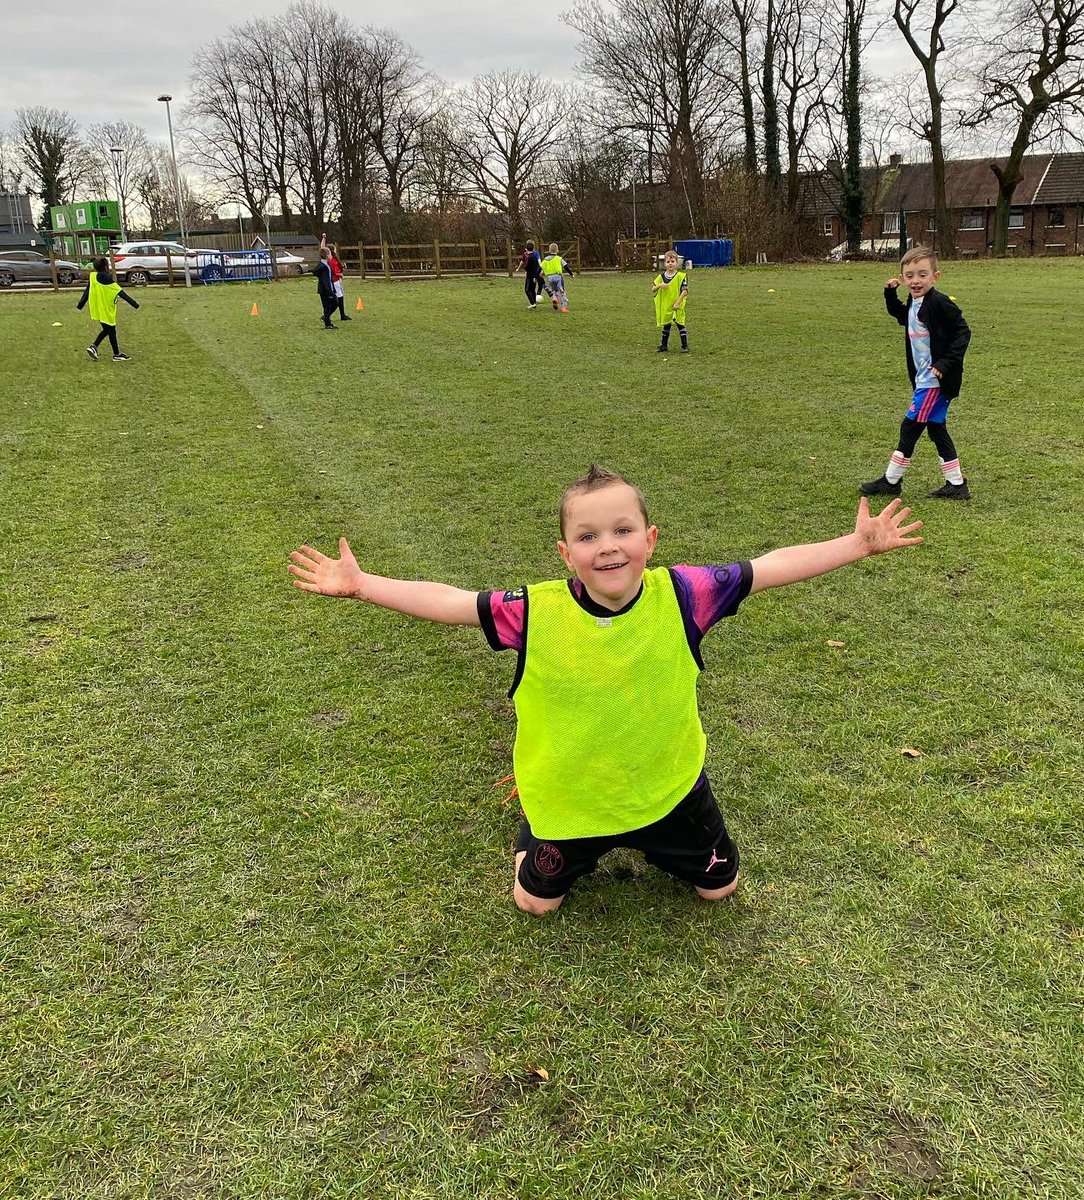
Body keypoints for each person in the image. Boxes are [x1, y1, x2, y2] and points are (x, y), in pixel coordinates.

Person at [288, 464, 923, 915]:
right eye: (588, 537)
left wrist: (855, 545)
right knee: (534, 904)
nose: (608, 548)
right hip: (574, 796)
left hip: (668, 789)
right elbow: (452, 602)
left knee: (719, 890)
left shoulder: (687, 593)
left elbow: (773, 565)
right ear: (566, 553)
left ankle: (660, 839)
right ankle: (537, 833)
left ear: (649, 540)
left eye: (622, 531)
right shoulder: (532, 611)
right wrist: (364, 585)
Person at [861, 245, 972, 500]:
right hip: (923, 378)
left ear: (935, 276)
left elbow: (963, 332)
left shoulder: (939, 303)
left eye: (922, 274)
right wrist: (890, 295)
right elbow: (903, 316)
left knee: (910, 426)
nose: (916, 281)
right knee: (936, 429)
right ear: (902, 278)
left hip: (934, 381)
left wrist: (944, 364)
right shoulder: (915, 301)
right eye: (909, 276)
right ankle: (956, 484)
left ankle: (891, 481)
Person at [77, 256, 139, 361]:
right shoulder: (108, 280)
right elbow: (121, 293)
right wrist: (135, 304)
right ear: (106, 267)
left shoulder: (93, 277)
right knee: (111, 331)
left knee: (107, 330)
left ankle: (94, 347)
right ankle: (116, 354)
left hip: (97, 309)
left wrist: (80, 305)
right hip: (107, 310)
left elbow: (87, 292)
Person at [652, 250, 689, 352]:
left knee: (680, 324)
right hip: (666, 306)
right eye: (668, 262)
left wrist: (678, 302)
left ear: (677, 263)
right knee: (666, 325)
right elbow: (653, 289)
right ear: (665, 264)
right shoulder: (661, 277)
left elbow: (685, 291)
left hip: (677, 305)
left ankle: (684, 346)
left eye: (672, 261)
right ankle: (664, 345)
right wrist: (660, 285)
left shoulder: (681, 276)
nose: (670, 264)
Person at [320, 233, 351, 321]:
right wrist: (340, 275)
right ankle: (326, 316)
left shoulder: (333, 259)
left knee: (340, 298)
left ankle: (342, 315)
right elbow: (335, 271)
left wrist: (324, 238)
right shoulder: (331, 260)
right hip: (334, 281)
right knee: (337, 299)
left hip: (336, 281)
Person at [540, 242, 574, 312]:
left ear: (549, 250)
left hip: (550, 278)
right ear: (557, 250)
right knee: (562, 291)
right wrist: (571, 274)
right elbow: (566, 267)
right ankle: (564, 307)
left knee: (554, 290)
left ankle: (554, 299)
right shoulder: (559, 258)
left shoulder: (545, 260)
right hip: (558, 277)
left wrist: (538, 275)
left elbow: (540, 268)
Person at [314, 247, 338, 331]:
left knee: (333, 304)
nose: (331, 255)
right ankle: (327, 323)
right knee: (329, 306)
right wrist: (330, 291)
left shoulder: (326, 264)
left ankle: (327, 320)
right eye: (330, 254)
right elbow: (324, 279)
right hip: (326, 290)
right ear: (327, 255)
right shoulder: (323, 266)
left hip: (328, 289)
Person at [519, 240, 544, 308]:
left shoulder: (530, 257)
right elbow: (539, 264)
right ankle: (534, 303)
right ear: (533, 248)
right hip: (535, 275)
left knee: (527, 290)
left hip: (529, 276)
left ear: (526, 249)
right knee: (532, 289)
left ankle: (532, 303)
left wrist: (525, 269)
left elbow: (527, 267)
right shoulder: (535, 255)